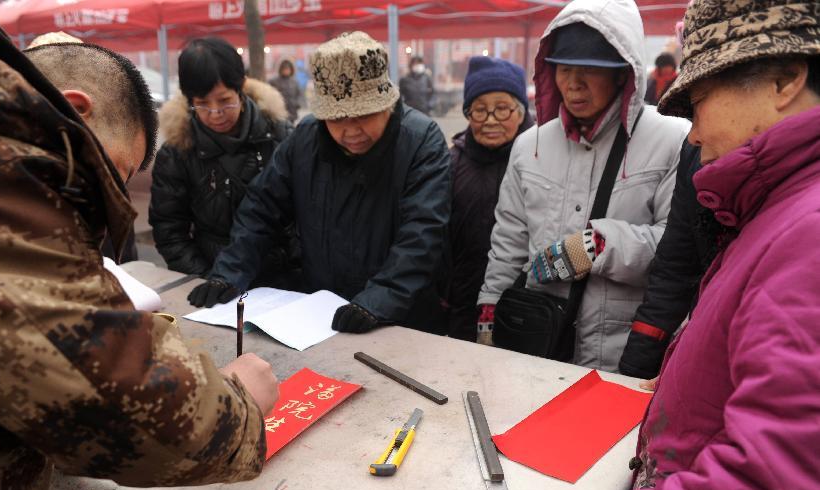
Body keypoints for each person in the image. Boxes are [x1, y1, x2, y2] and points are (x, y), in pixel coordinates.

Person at [0, 10, 278, 490]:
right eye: (120, 171)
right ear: (77, 109)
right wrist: (241, 404)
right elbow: (126, 406)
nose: (113, 195)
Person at [493, 0, 820, 490]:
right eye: (562, 68)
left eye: (700, 104)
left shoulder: (807, 230)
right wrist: (683, 376)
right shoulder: (779, 206)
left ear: (783, 80)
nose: (695, 133)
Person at [187, 31, 451, 335]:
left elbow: (422, 234)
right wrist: (228, 273)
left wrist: (378, 301)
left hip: (403, 321)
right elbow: (261, 207)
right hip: (321, 314)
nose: (350, 130)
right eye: (337, 118)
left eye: (363, 114)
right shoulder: (306, 138)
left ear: (387, 105)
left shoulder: (421, 141)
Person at [476, 0, 689, 372]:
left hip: (625, 356)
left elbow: (683, 249)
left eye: (591, 70)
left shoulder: (673, 139)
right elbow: (508, 243)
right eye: (564, 69)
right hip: (537, 348)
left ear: (625, 73)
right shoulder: (530, 146)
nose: (573, 84)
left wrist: (596, 247)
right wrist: (488, 320)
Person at [149, 38, 295, 280]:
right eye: (202, 105)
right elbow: (170, 230)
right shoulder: (177, 152)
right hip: (212, 275)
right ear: (189, 101)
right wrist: (208, 279)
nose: (215, 114)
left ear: (241, 89)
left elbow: (304, 214)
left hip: (283, 276)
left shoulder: (279, 135)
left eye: (225, 101)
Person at [446, 56, 534, 341]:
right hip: (463, 303)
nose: (491, 120)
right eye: (480, 111)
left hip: (525, 305)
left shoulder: (540, 157)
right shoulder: (453, 162)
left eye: (502, 109)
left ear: (521, 112)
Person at [618, 140, 721, 379]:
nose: (693, 134)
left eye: (700, 104)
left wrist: (605, 243)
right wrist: (635, 371)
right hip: (700, 356)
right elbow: (674, 266)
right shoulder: (695, 150)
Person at [269, 58, 302, 123]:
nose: (286, 71)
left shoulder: (294, 82)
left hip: (292, 110)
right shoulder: (274, 81)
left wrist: (297, 104)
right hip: (280, 110)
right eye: (284, 69)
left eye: (288, 69)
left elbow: (299, 94)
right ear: (281, 70)